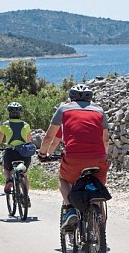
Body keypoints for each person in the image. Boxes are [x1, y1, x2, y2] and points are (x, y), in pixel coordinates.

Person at [39, 83, 110, 230]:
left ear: (71, 98)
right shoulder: (100, 111)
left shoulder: (63, 109)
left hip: (73, 158)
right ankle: (98, 233)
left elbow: (49, 137)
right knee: (97, 191)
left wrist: (42, 154)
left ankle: (70, 208)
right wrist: (104, 155)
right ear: (90, 99)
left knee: (63, 179)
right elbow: (105, 140)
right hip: (98, 158)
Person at [0, 102, 33, 204]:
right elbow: (29, 141)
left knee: (6, 169)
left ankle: (9, 180)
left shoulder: (5, 125)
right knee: (25, 174)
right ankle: (25, 196)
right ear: (21, 113)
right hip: (24, 152)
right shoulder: (26, 125)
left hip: (11, 152)